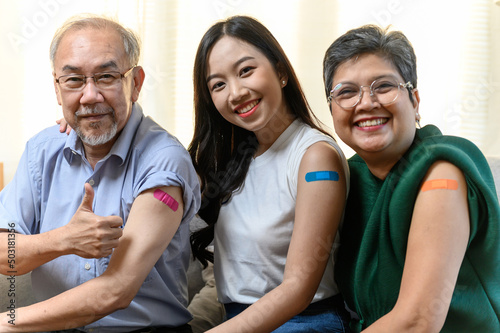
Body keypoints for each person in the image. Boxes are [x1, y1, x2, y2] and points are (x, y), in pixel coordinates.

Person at [0, 14, 200, 332]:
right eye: (75, 80)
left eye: (106, 77)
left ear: (135, 83)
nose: (90, 96)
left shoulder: (164, 161)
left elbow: (115, 290)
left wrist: (8, 322)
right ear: (57, 88)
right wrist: (63, 240)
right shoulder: (41, 151)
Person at [323, 24, 500, 332]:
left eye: (384, 86)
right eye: (347, 92)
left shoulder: (442, 171)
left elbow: (417, 322)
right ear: (333, 110)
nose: (366, 103)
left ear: (415, 101)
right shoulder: (349, 178)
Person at [188, 15, 351, 332]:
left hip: (304, 321)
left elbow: (298, 290)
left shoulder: (316, 158)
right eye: (218, 85)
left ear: (280, 71)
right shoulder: (231, 161)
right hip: (238, 319)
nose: (235, 92)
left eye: (246, 71)